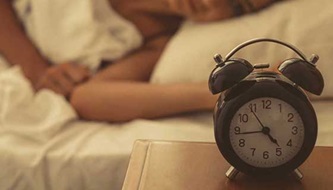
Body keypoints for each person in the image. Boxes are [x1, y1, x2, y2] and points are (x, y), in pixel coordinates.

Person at [0, 0, 282, 122]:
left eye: (236, 5)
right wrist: (36, 69)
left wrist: (224, 93)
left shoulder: (158, 40)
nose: (214, 2)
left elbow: (88, 97)